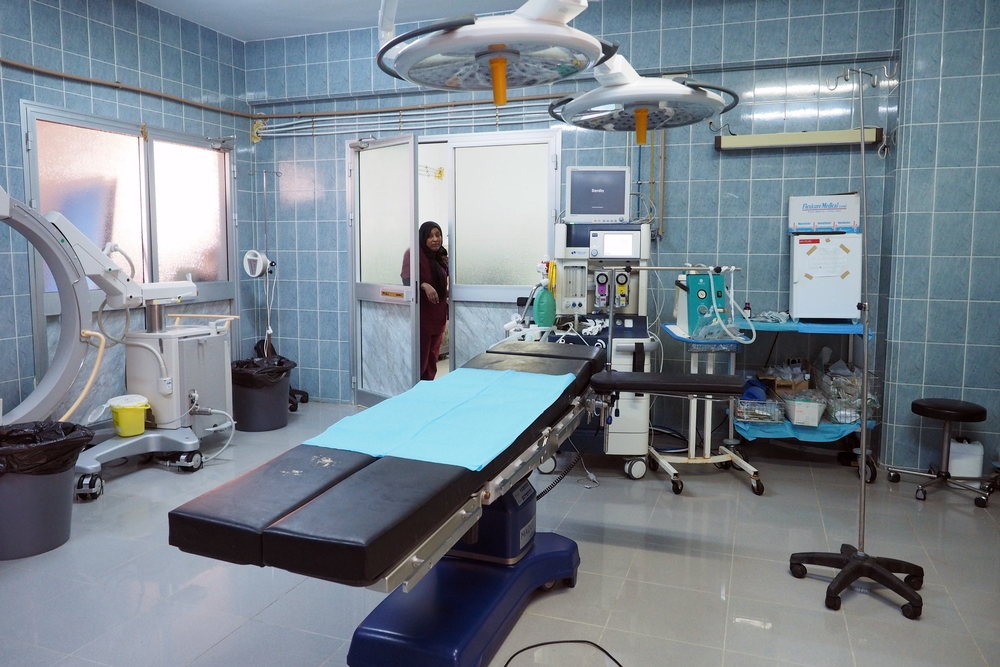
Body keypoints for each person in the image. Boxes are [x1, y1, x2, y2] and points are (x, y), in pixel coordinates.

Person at [400, 221, 449, 380]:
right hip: (422, 319)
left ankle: (427, 391)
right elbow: (407, 280)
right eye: (430, 236)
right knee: (419, 364)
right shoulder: (413, 254)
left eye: (438, 235)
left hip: (438, 318)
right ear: (422, 238)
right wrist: (424, 285)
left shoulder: (441, 256)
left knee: (432, 364)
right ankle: (415, 393)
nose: (435, 239)